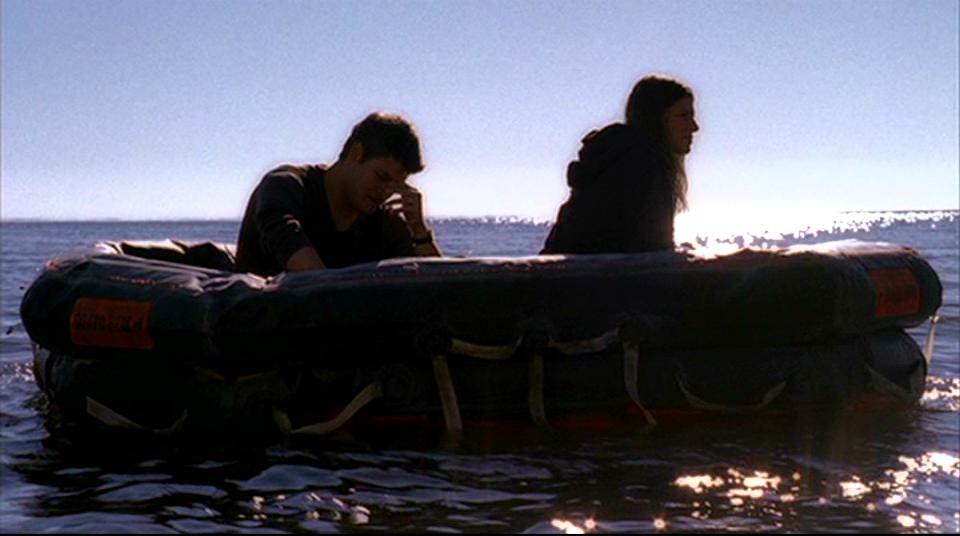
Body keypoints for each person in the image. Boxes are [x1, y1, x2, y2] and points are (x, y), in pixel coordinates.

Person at [236, 112, 441, 276]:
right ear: (355, 153)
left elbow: (436, 292)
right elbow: (314, 281)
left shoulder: (384, 219)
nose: (386, 192)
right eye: (382, 177)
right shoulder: (286, 187)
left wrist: (419, 231)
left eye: (397, 185)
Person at [541, 75, 699, 254]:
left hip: (568, 270)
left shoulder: (620, 159)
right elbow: (649, 248)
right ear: (657, 119)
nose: (694, 127)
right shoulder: (641, 165)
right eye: (683, 116)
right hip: (589, 272)